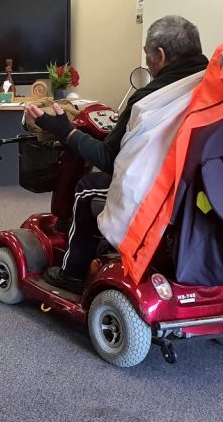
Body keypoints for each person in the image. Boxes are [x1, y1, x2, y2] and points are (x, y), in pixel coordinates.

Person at [25, 15, 208, 291]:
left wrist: (66, 131)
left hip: (159, 192)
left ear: (160, 55)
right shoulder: (212, 85)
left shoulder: (149, 98)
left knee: (87, 188)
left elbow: (108, 160)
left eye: (147, 56)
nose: (147, 63)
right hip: (200, 189)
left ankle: (72, 274)